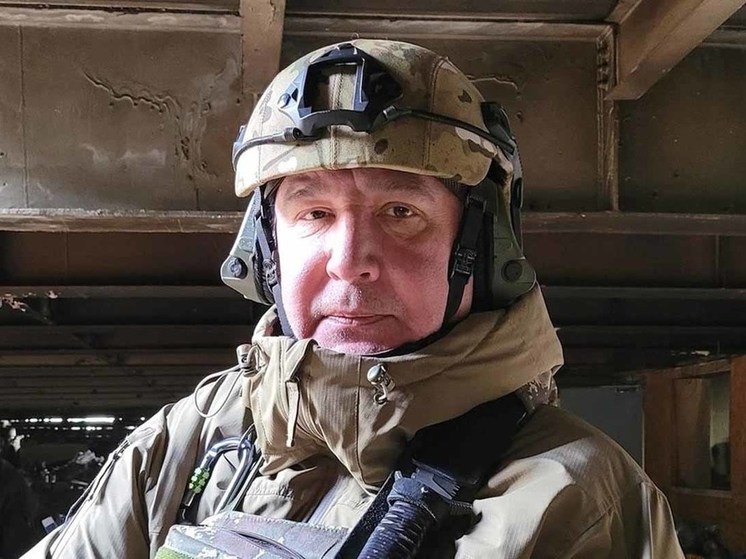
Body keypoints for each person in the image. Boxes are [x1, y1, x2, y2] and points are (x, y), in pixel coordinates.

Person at [24, 39, 685, 558]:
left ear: (482, 249)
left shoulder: (575, 499)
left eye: (401, 211)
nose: (349, 261)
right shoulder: (191, 439)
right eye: (313, 213)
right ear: (268, 247)